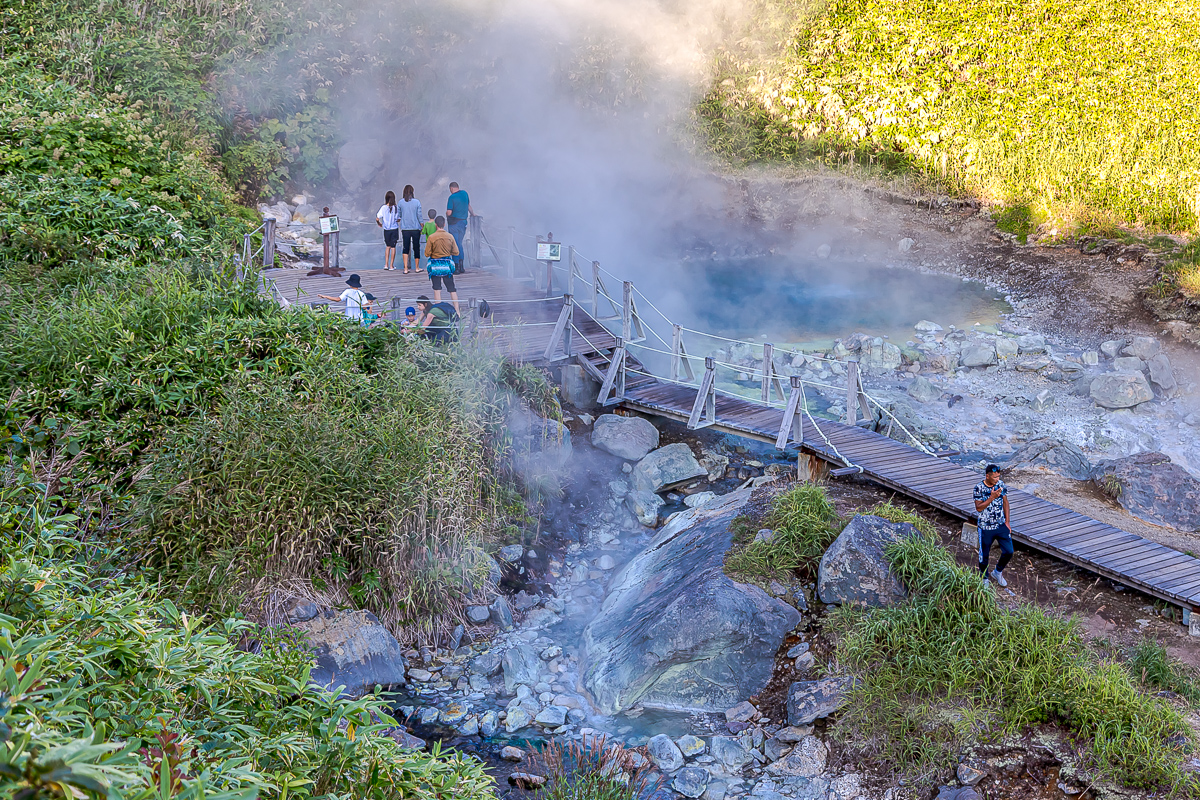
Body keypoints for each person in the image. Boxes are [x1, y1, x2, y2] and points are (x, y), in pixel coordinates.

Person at [974, 464, 1013, 586]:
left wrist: (1007, 522)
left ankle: (997, 571)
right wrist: (992, 497)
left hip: (1000, 525)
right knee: (984, 554)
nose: (997, 479)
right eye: (994, 477)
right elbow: (979, 508)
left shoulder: (1001, 485)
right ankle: (984, 577)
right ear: (987, 476)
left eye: (998, 476)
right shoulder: (978, 488)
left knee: (1009, 551)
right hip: (985, 527)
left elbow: (1005, 502)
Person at [424, 215, 460, 312]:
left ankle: (438, 311)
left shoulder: (431, 237)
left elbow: (427, 253)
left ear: (436, 225)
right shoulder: (450, 236)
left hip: (435, 266)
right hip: (447, 266)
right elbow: (456, 252)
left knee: (437, 288)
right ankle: (457, 311)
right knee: (452, 288)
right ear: (444, 224)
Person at [445, 181, 473, 273]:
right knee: (459, 244)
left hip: (454, 224)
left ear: (451, 188)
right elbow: (468, 206)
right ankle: (462, 266)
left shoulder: (451, 197)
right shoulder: (465, 193)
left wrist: (446, 214)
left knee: (454, 244)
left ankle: (456, 267)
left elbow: (449, 212)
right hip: (463, 223)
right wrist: (473, 214)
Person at [398, 185, 423, 274]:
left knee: (405, 247)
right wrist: (422, 223)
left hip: (405, 228)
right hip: (415, 227)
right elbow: (419, 215)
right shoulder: (417, 202)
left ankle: (405, 268)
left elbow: (399, 215)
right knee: (416, 247)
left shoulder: (401, 202)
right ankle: (417, 267)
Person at [376, 191, 401, 270]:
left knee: (387, 246)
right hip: (394, 229)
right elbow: (398, 219)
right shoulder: (396, 208)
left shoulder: (383, 208)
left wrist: (379, 223)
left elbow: (377, 218)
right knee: (393, 247)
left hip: (386, 229)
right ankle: (391, 266)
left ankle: (386, 265)